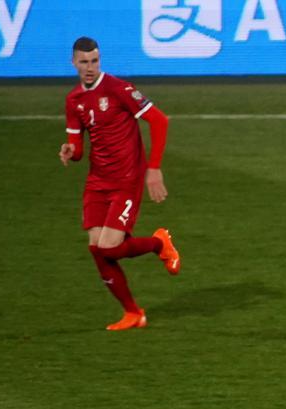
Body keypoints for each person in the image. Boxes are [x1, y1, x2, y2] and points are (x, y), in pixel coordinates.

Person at [60, 36, 180, 331]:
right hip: (97, 181)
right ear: (73, 63)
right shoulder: (73, 100)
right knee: (96, 249)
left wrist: (154, 169)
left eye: (95, 61)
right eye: (84, 62)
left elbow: (160, 121)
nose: (90, 67)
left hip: (126, 178)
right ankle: (133, 313)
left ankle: (158, 243)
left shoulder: (119, 89)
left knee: (110, 248)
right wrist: (70, 150)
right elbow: (78, 147)